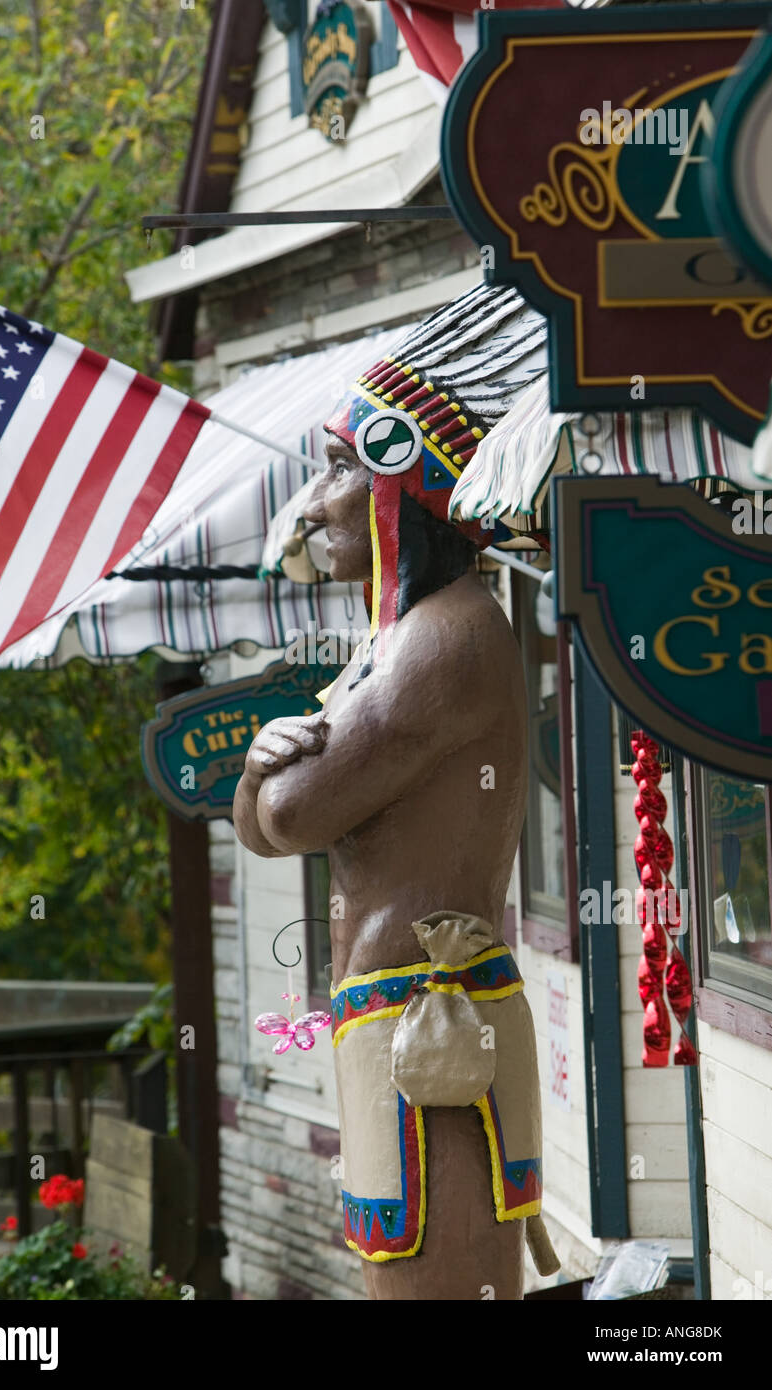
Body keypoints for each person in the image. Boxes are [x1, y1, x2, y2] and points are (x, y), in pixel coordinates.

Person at [233, 283, 558, 1300]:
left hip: (431, 1027)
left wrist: (261, 773)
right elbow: (266, 821)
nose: (314, 502)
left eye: (341, 468)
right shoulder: (405, 638)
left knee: (435, 1268)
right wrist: (255, 771)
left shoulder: (440, 638)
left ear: (403, 490)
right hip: (409, 1016)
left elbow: (290, 816)